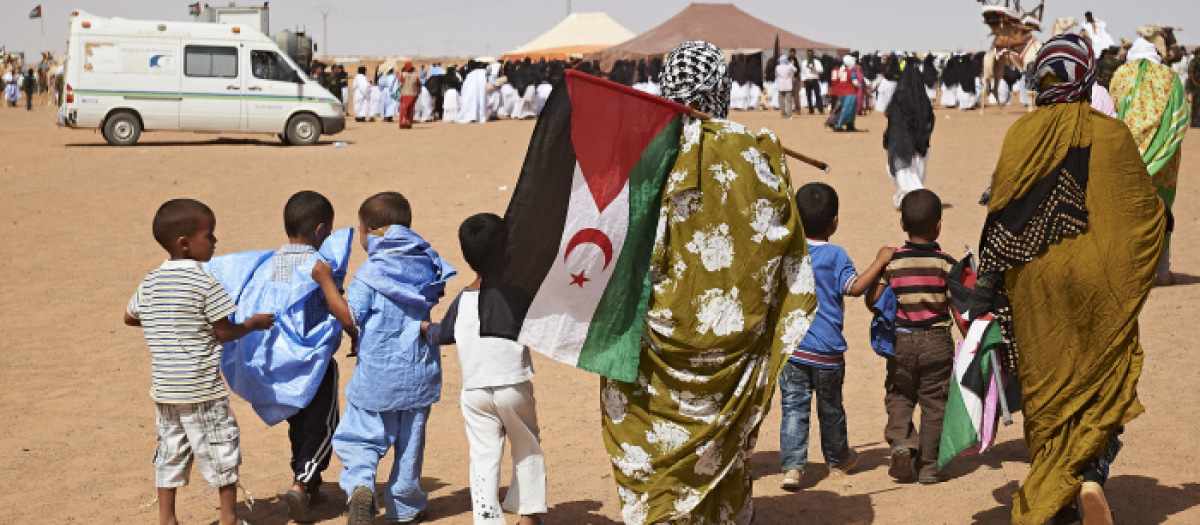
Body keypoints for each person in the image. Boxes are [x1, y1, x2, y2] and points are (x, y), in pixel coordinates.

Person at [602, 40, 817, 525]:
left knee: (647, 437)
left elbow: (616, 242)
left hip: (651, 347)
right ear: (722, 88)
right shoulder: (756, 152)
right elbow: (777, 243)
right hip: (732, 348)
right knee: (725, 449)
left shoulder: (641, 154)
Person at [972, 34, 1166, 524]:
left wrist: (984, 295)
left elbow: (1000, 222)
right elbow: (1150, 217)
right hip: (1102, 289)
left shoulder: (1020, 137)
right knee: (1104, 383)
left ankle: (1057, 494)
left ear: (1041, 80)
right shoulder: (1115, 136)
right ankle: (1092, 475)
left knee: (1046, 389)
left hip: (1037, 292)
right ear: (1086, 77)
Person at [124, 199, 275, 525]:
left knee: (170, 451)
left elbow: (130, 315)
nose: (215, 241)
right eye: (209, 235)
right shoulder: (204, 283)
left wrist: (165, 321)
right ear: (184, 243)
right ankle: (229, 519)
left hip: (165, 390)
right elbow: (223, 331)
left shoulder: (151, 281)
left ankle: (167, 519)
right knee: (222, 448)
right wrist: (253, 324)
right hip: (201, 388)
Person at [329, 192, 456, 525]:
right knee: (410, 445)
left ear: (371, 231)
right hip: (418, 375)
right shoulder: (426, 263)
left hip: (377, 376)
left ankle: (360, 485)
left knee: (361, 438)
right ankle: (405, 507)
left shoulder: (370, 273)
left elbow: (349, 316)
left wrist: (325, 283)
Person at [424, 214, 547, 525]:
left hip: (476, 391)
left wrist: (424, 327)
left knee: (483, 457)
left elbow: (443, 334)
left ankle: (488, 519)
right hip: (514, 386)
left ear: (467, 257)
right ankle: (530, 518)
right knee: (527, 447)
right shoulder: (518, 295)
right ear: (508, 252)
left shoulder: (462, 300)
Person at [778, 183, 893, 490]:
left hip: (792, 350)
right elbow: (855, 288)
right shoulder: (835, 255)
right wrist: (880, 262)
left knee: (793, 409)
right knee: (831, 409)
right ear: (834, 221)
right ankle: (837, 459)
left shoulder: (789, 250)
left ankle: (792, 468)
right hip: (827, 352)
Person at [269, 191, 358, 522]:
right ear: (321, 230)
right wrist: (353, 335)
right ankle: (303, 482)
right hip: (316, 362)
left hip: (284, 362)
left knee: (299, 424)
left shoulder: (275, 262)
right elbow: (334, 307)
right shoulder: (321, 265)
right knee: (324, 424)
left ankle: (309, 485)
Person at [866, 190, 957, 485]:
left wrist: (880, 267)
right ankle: (929, 466)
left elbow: (873, 300)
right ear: (939, 225)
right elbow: (957, 307)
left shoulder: (893, 263)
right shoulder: (947, 265)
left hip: (902, 342)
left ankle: (903, 443)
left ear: (902, 223)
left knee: (900, 395)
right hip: (938, 343)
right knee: (935, 403)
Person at [1110, 36, 1190, 285]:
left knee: (1126, 209)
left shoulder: (1120, 75)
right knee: (1161, 207)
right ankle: (1162, 272)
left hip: (1126, 158)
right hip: (1164, 158)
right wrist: (1160, 148)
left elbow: (1111, 114)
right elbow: (1180, 116)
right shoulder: (1169, 77)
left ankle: (1128, 272)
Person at [884, 64, 936, 207]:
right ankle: (910, 200)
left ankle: (916, 200)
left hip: (900, 145)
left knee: (905, 176)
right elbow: (928, 123)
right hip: (919, 147)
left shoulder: (898, 100)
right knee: (914, 175)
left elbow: (892, 125)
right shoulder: (923, 101)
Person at [829, 56, 861, 131]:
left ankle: (849, 125)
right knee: (849, 110)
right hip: (851, 93)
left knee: (846, 109)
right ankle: (840, 125)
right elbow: (855, 83)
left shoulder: (841, 71)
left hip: (842, 93)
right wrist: (860, 86)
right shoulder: (851, 72)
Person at [800, 50, 825, 114]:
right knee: (808, 96)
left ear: (813, 54)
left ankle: (820, 109)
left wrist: (814, 69)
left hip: (815, 79)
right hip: (807, 80)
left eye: (810, 54)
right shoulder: (804, 62)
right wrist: (803, 80)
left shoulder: (816, 62)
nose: (809, 55)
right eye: (808, 54)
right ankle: (811, 110)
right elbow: (802, 72)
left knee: (818, 95)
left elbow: (821, 70)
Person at [398, 62, 420, 129]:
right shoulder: (416, 75)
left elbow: (400, 83)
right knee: (410, 109)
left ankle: (403, 123)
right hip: (413, 94)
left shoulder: (403, 75)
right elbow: (419, 84)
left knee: (404, 109)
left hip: (405, 94)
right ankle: (409, 123)